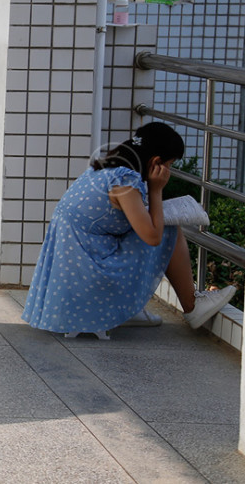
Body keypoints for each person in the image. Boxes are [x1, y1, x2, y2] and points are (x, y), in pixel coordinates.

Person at [22, 121, 237, 336]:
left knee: (153, 224)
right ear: (156, 162)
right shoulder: (125, 181)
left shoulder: (105, 169)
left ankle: (129, 308)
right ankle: (192, 306)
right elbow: (153, 237)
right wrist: (156, 190)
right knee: (168, 230)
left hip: (74, 274)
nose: (169, 171)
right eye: (170, 165)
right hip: (88, 277)